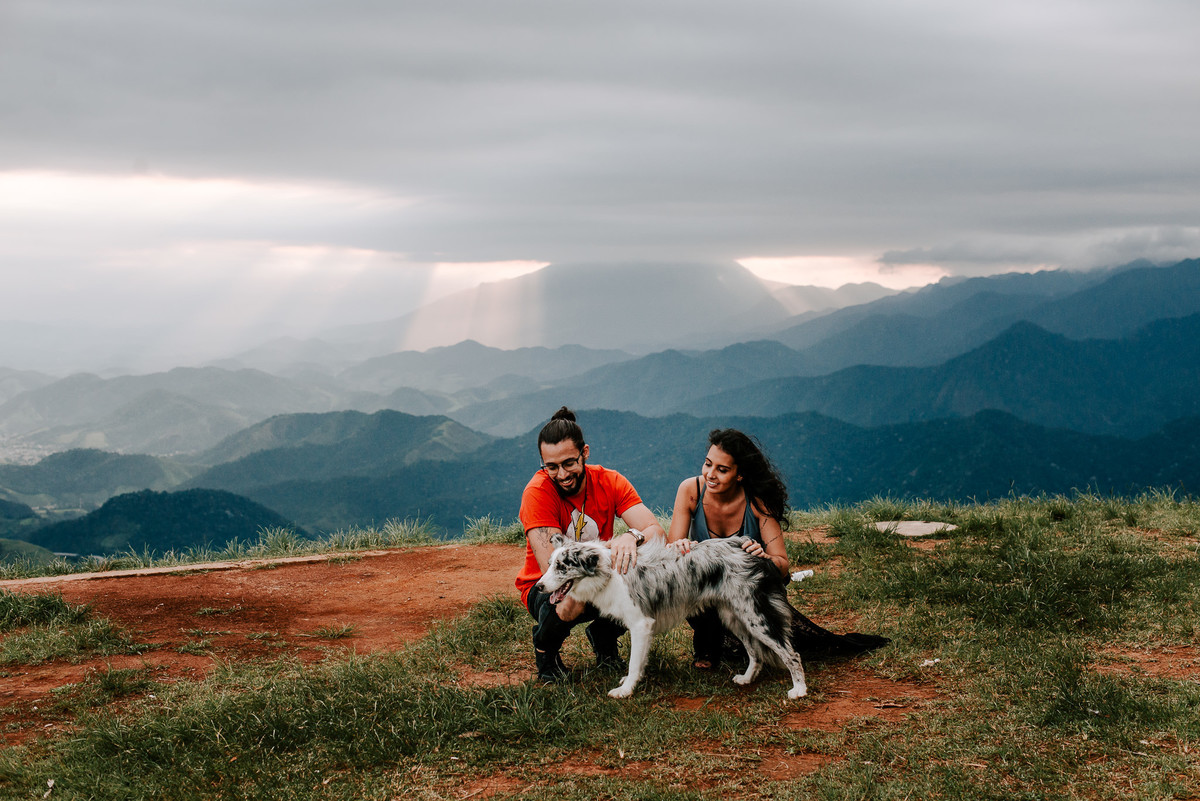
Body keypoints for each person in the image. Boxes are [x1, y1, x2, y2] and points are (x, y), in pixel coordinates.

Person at [667, 428, 888, 669]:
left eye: (722, 469)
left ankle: (736, 641)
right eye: (708, 464)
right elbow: (671, 555)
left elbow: (782, 566)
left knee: (794, 642)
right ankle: (707, 649)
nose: (710, 474)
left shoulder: (757, 500)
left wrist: (763, 559)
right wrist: (679, 546)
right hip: (708, 585)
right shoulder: (690, 490)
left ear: (740, 475)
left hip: (750, 586)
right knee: (689, 577)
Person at [516, 407, 667, 683]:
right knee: (573, 599)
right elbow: (554, 567)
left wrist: (632, 536)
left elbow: (656, 532)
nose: (562, 474)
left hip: (597, 575)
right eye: (551, 467)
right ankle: (545, 652)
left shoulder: (610, 481)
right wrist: (611, 552)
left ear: (585, 453)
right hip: (547, 584)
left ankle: (603, 635)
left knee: (644, 580)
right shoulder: (537, 492)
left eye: (569, 463)